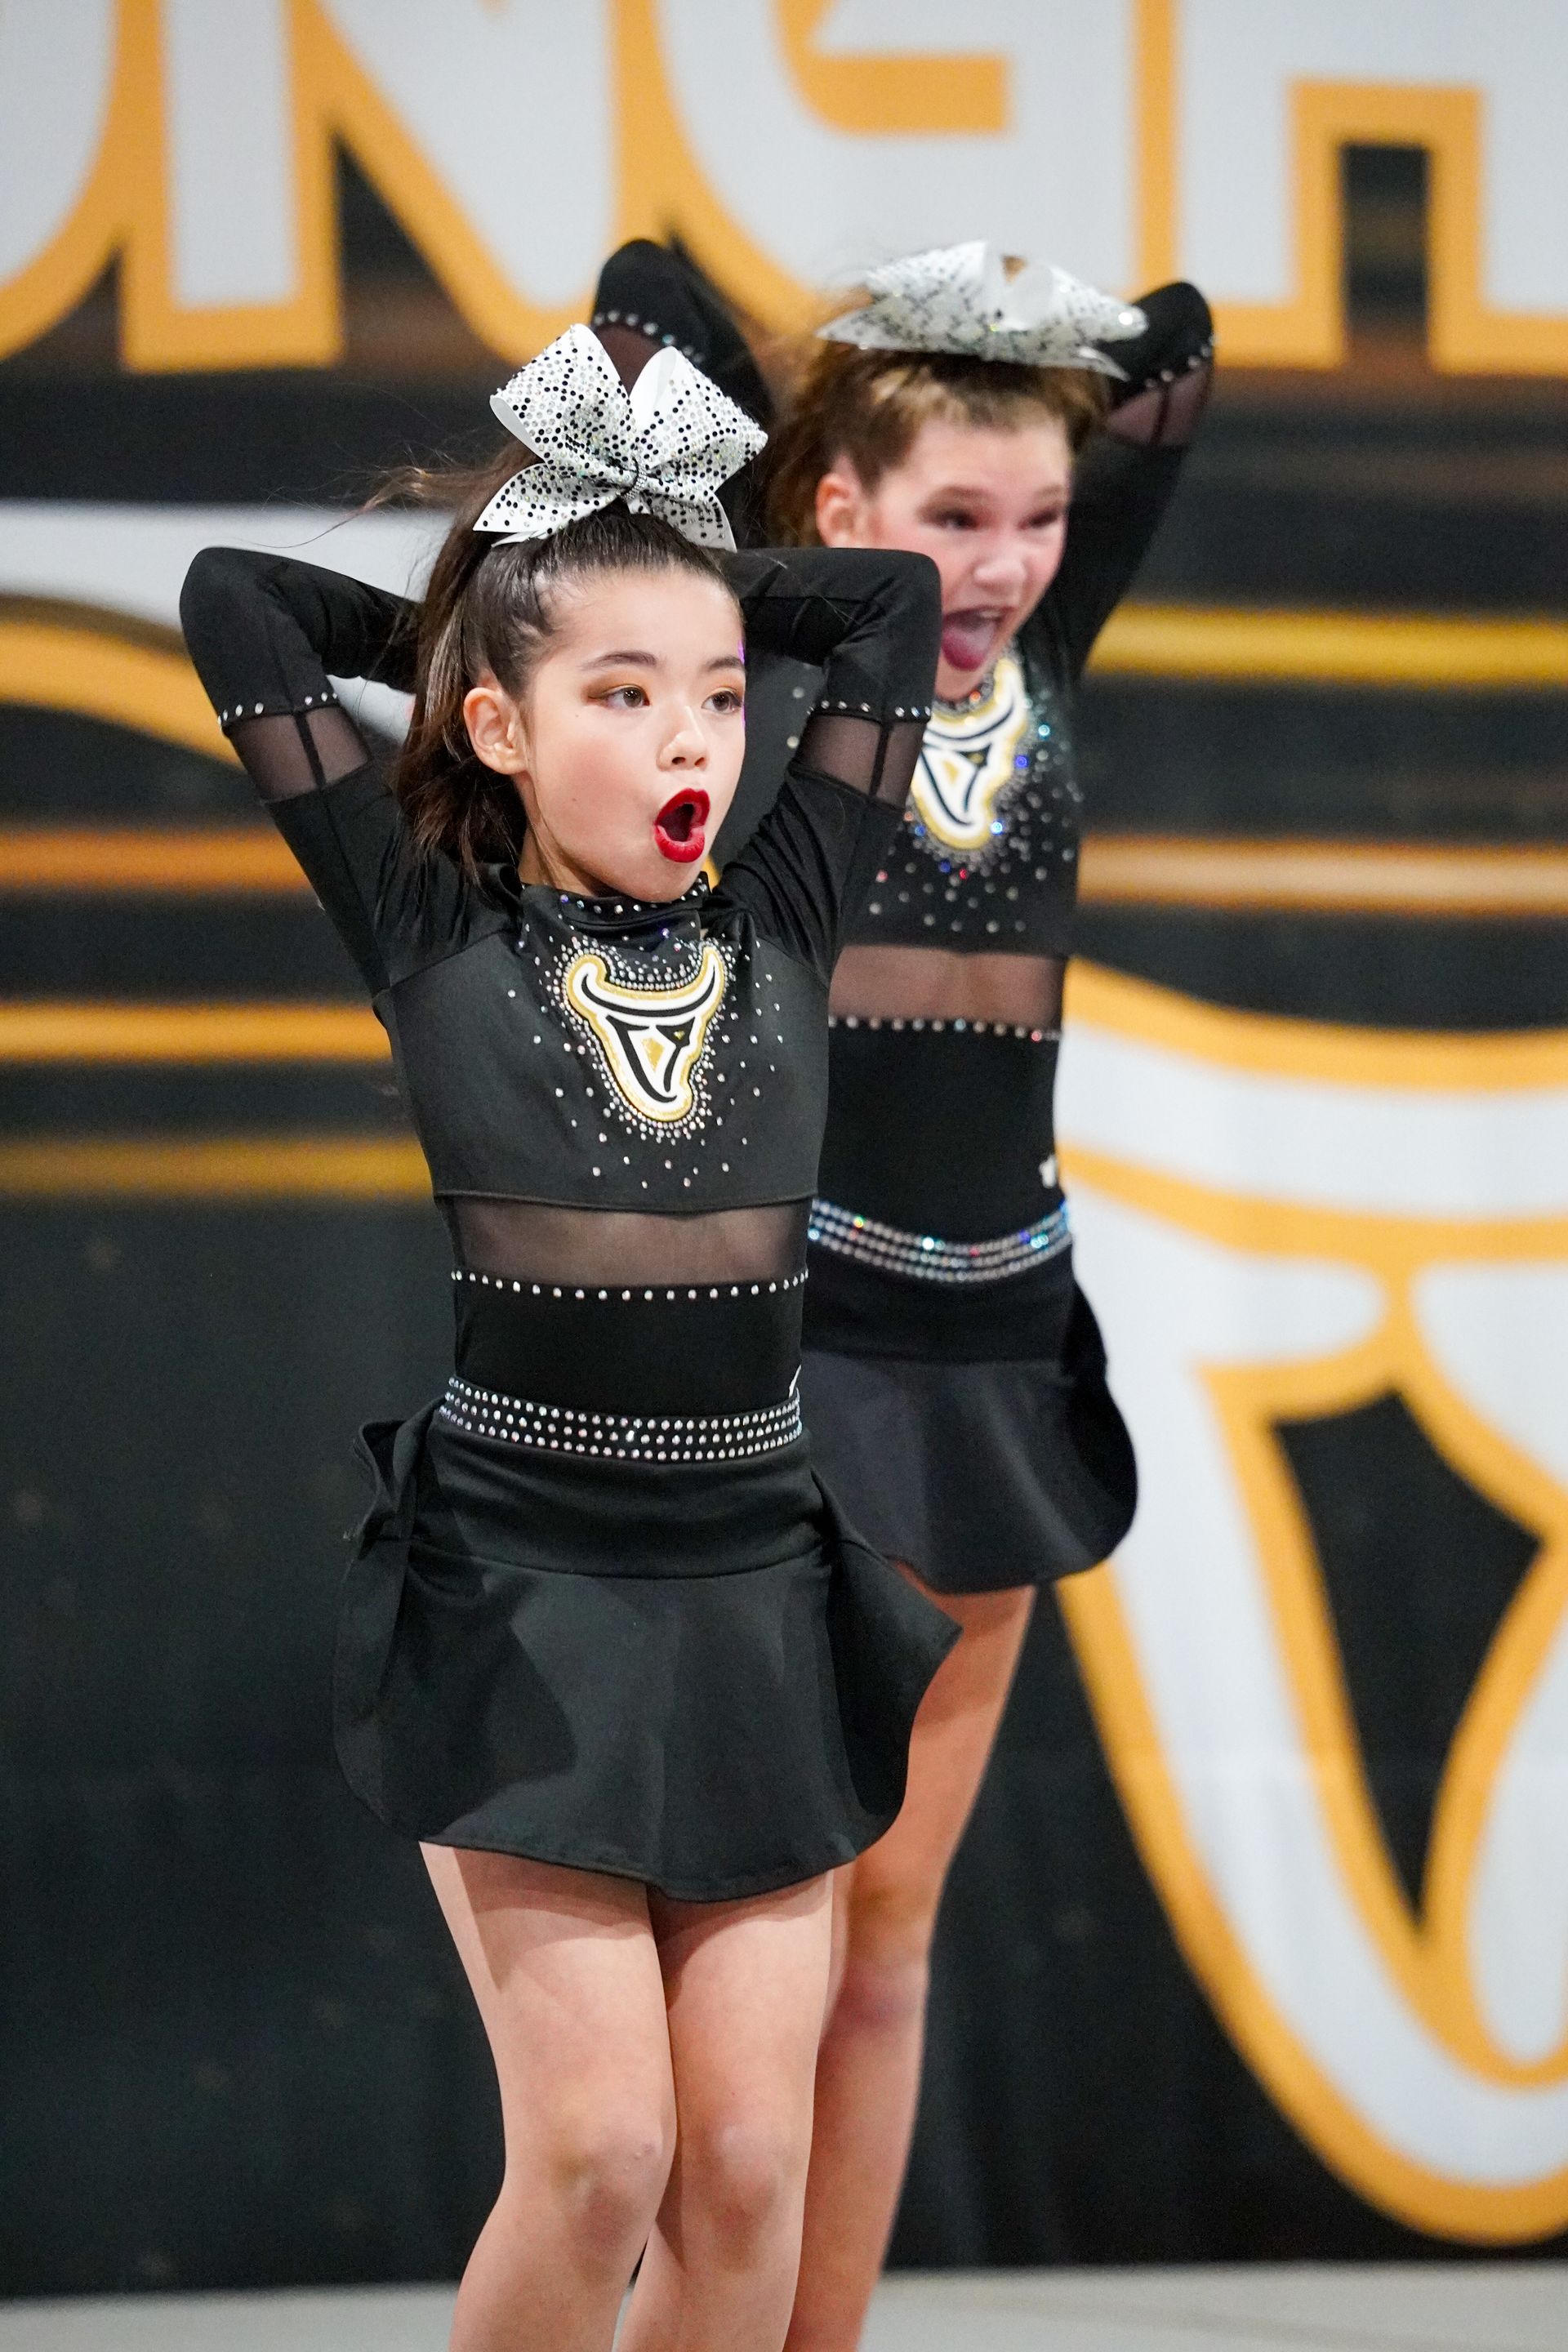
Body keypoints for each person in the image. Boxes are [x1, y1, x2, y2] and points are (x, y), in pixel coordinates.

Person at [179, 323, 956, 2352]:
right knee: (604, 2153)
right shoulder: (428, 916)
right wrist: (519, 596)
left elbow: (882, 605)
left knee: (746, 2173)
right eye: (625, 699)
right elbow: (237, 606)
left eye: (717, 692)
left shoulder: (787, 902)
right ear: (503, 731)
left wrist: (671, 563)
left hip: (760, 1583)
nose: (696, 736)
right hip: (524, 1584)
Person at [613, 238, 1212, 2350]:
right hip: (788, 1349)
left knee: (886, 1939)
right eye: (957, 518)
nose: (1011, 562)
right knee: (748, 1936)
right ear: (840, 512)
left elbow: (1177, 345)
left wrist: (996, 358)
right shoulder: (765, 667)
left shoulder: (1041, 673)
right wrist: (842, 418)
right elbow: (642, 288)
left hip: (987, 1346)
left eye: (1040, 518)